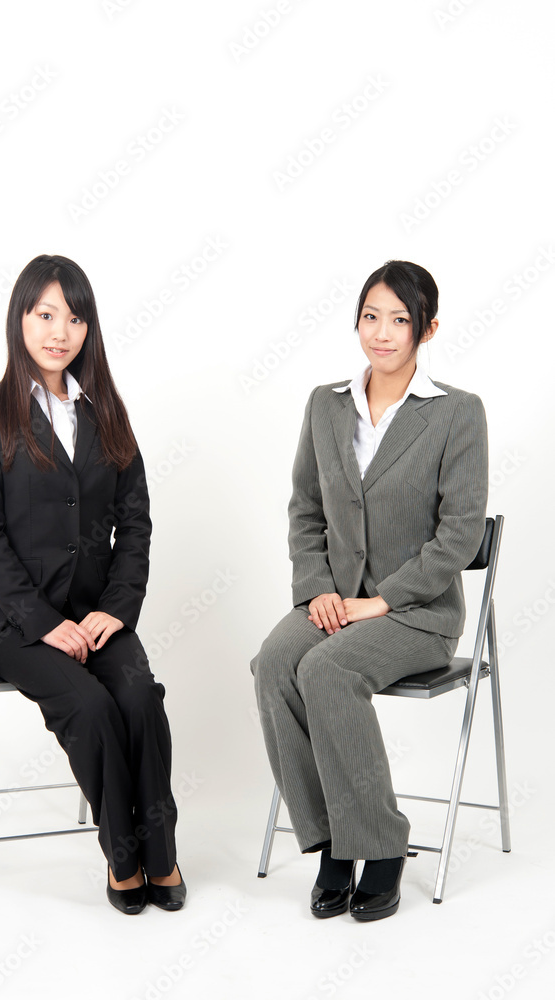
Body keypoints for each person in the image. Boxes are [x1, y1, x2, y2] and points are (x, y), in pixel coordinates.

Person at [251, 260, 488, 921]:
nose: (382, 333)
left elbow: (460, 534)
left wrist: (381, 600)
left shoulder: (456, 414)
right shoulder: (326, 406)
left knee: (325, 669)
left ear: (427, 328)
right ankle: (331, 841)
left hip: (415, 615)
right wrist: (318, 588)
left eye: (400, 320)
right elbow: (305, 509)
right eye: (370, 317)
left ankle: (379, 846)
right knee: (274, 663)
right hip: (335, 599)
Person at [0, 254, 185, 915]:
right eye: (46, 314)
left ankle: (161, 853)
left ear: (89, 329)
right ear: (20, 319)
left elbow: (136, 524)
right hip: (16, 626)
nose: (60, 331)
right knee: (89, 706)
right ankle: (124, 857)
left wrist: (116, 609)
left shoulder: (106, 412)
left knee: (139, 694)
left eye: (75, 317)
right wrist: (40, 621)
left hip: (97, 617)